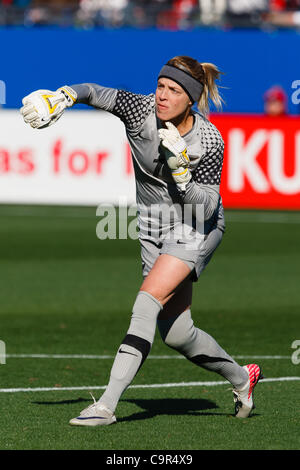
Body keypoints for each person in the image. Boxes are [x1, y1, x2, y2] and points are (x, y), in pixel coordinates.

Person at [20, 55, 263, 425]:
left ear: (191, 99)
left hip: (197, 224)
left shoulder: (209, 139)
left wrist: (182, 175)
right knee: (178, 333)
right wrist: (66, 95)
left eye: (174, 91)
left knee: (147, 302)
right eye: (161, 85)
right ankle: (241, 378)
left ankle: (106, 405)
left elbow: (210, 203)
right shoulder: (141, 110)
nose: (163, 96)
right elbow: (97, 93)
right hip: (152, 226)